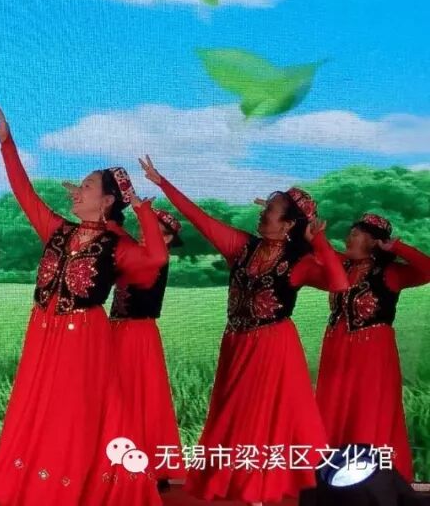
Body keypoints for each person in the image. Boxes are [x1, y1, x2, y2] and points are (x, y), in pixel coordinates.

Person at [0, 106, 167, 506]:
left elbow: (155, 258)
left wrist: (140, 207)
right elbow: (24, 193)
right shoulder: (57, 230)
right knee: (38, 409)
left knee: (74, 414)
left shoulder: (116, 246)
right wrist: (8, 145)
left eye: (87, 185)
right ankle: (39, 487)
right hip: (43, 331)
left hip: (83, 336)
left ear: (107, 200)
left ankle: (77, 489)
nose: (77, 191)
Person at [139, 155, 348, 506]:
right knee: (232, 414)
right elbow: (200, 219)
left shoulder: (297, 264)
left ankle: (259, 491)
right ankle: (244, 486)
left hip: (272, 344)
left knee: (260, 416)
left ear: (287, 224)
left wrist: (319, 241)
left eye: (271, 210)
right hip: (236, 341)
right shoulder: (242, 247)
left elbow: (339, 284)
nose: (262, 213)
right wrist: (162, 183)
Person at [316, 213, 430, 482]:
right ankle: (329, 477)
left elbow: (427, 270)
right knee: (332, 411)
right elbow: (320, 254)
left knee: (365, 412)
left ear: (372, 241)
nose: (348, 238)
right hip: (337, 350)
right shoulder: (343, 266)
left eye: (355, 234)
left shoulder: (390, 274)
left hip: (372, 355)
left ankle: (368, 481)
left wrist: (397, 247)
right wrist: (316, 235)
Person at [107, 208, 186, 489]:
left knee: (137, 397)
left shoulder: (155, 260)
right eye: (144, 227)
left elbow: (118, 235)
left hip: (137, 334)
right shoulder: (141, 253)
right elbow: (116, 232)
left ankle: (146, 468)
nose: (145, 233)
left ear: (168, 238)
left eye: (154, 230)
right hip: (119, 330)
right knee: (122, 396)